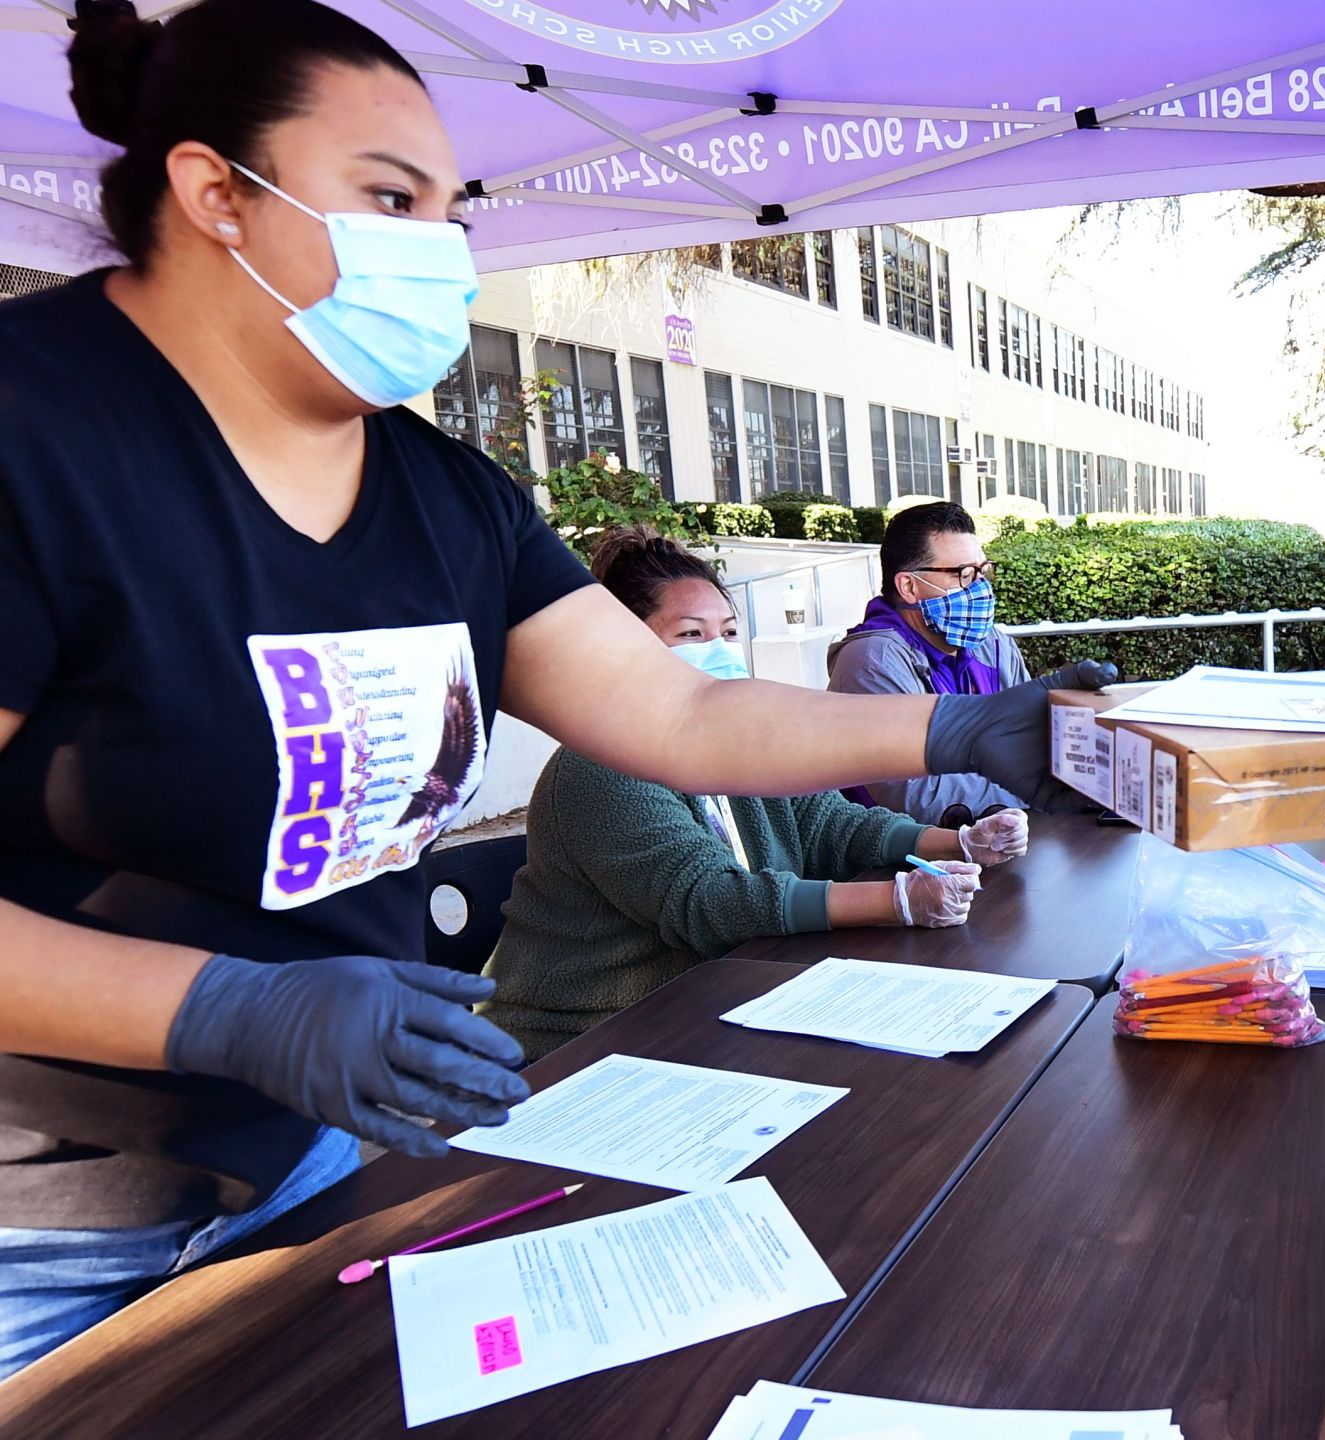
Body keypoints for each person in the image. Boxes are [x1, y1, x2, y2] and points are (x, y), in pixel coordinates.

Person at [0, 0, 1098, 1375]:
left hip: (317, 1163)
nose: (439, 251)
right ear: (216, 192)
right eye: (390, 197)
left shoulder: (441, 498)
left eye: (451, 213)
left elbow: (679, 713)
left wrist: (954, 726)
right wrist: (226, 1007)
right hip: (35, 1234)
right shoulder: (36, 438)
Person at [478, 530, 1031, 1063]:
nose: (718, 651)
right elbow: (709, 902)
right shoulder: (596, 768)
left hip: (711, 1012)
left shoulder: (727, 742)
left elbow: (827, 822)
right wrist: (899, 902)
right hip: (577, 1049)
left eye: (727, 631)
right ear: (626, 651)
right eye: (691, 635)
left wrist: (957, 842)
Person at [828, 502, 1036, 827]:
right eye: (964, 574)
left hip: (1003, 842)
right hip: (903, 866)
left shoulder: (994, 645)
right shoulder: (872, 660)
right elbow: (917, 795)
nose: (981, 588)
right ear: (908, 586)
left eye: (983, 572)